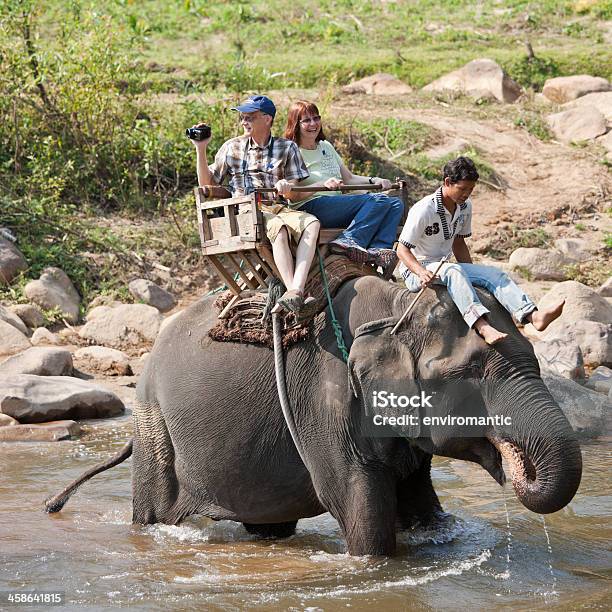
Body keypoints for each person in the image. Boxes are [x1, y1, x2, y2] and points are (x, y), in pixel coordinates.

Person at [396, 156, 564, 345]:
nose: (466, 194)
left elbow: (458, 243)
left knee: (493, 273)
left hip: (444, 267)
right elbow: (401, 250)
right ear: (447, 182)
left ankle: (533, 316)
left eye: (471, 190)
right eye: (462, 189)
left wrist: (474, 276)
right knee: (454, 271)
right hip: (417, 270)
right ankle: (483, 327)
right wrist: (420, 272)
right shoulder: (424, 210)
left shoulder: (465, 206)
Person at [191, 95, 320, 314]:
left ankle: (296, 289)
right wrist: (200, 148)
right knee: (278, 229)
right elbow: (206, 183)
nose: (244, 121)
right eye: (243, 117)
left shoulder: (286, 147)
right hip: (246, 210)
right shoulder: (232, 147)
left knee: (312, 223)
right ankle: (294, 291)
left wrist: (286, 185)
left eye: (250, 116)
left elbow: (294, 183)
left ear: (267, 119)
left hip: (277, 207)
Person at [282, 100, 404, 272]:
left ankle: (379, 248)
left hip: (337, 204)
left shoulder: (326, 146)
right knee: (379, 201)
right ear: (295, 124)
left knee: (395, 203)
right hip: (311, 206)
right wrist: (321, 184)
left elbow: (348, 178)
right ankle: (349, 239)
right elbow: (291, 195)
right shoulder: (292, 151)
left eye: (316, 118)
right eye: (306, 120)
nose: (313, 124)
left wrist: (373, 180)